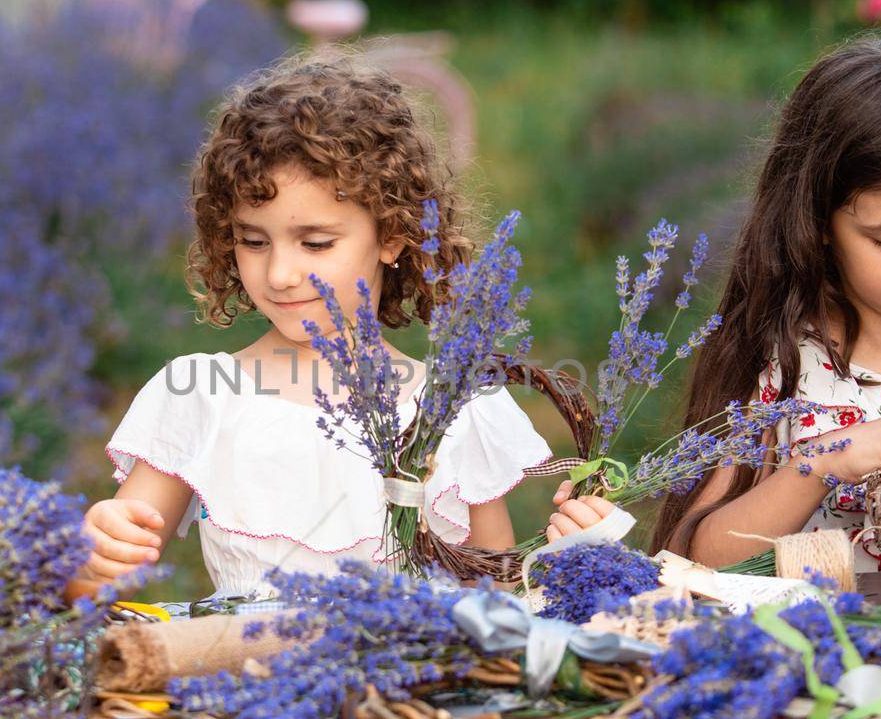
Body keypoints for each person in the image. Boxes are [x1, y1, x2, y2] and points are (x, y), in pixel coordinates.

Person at [546, 38, 881, 570]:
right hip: (829, 656)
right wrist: (827, 461)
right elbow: (695, 557)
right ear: (818, 226)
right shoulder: (784, 368)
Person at [78, 55, 549, 596]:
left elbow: (499, 601)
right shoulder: (203, 397)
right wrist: (90, 562)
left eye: (316, 243)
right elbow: (101, 585)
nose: (279, 274)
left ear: (392, 236)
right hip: (244, 675)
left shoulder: (457, 413)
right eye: (253, 241)